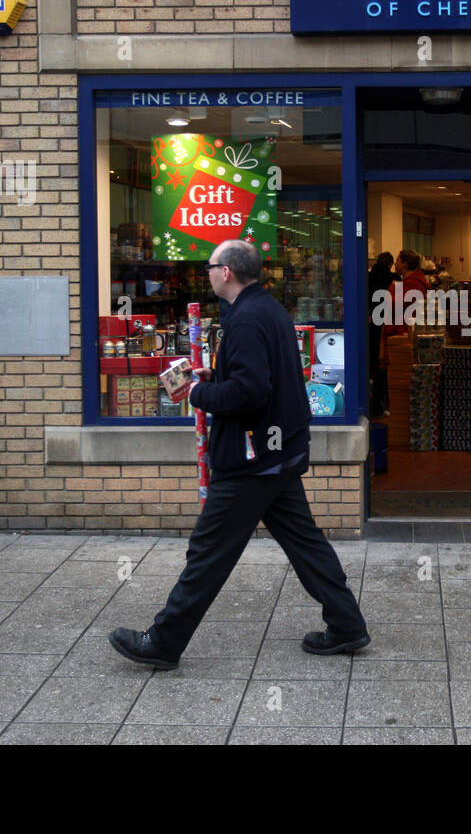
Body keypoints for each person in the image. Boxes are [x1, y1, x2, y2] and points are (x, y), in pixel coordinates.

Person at [110, 239, 369, 670]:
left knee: (208, 550)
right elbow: (264, 375)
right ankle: (347, 625)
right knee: (305, 545)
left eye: (210, 266)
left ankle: (163, 642)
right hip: (279, 451)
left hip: (252, 459)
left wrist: (199, 392)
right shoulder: (269, 311)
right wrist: (218, 373)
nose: (207, 272)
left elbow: (251, 392)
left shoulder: (246, 320)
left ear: (226, 272)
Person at [367, 252, 395, 416]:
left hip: (370, 325)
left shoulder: (368, 277)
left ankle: (371, 402)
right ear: (390, 264)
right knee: (383, 367)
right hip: (387, 325)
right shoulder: (393, 279)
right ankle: (382, 403)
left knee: (371, 363)